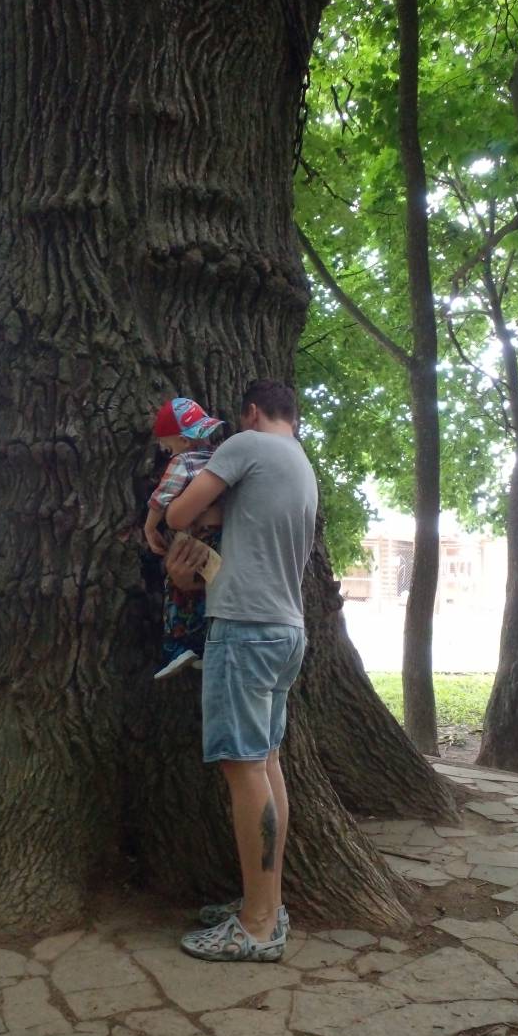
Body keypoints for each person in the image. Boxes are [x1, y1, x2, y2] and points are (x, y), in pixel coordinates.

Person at [164, 378, 317, 962]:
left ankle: (256, 926)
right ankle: (266, 904)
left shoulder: (246, 445)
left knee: (244, 769)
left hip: (246, 630)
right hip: (285, 631)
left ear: (251, 412)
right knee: (266, 763)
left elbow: (181, 510)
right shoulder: (298, 463)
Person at [144, 396, 224, 679]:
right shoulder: (220, 457)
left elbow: (163, 496)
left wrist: (150, 527)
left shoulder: (184, 461)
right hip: (222, 539)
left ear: (185, 441)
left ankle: (177, 646)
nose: (166, 451)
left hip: (195, 536)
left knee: (176, 587)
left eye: (169, 445)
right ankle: (204, 644)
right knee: (205, 589)